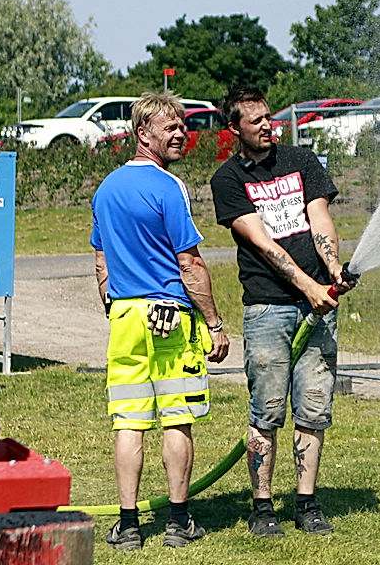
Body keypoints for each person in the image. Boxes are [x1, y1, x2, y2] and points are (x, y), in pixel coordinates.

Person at [210, 84, 355, 537]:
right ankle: (262, 506)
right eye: (255, 122)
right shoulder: (228, 180)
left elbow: (320, 219)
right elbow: (262, 243)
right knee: (267, 409)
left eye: (268, 118)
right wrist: (310, 287)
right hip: (268, 309)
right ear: (234, 129)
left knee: (314, 407)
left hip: (316, 308)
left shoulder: (302, 161)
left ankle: (307, 503)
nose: (267, 127)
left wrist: (332, 271)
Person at [90, 90, 230, 551]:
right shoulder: (169, 187)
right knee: (177, 417)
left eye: (182, 126)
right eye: (170, 127)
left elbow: (100, 256)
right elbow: (188, 263)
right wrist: (213, 322)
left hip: (126, 316)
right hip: (168, 315)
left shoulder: (106, 188)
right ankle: (178, 521)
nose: (181, 134)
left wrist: (111, 302)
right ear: (142, 133)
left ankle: (128, 525)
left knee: (128, 421)